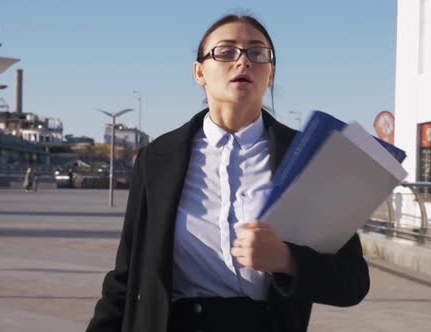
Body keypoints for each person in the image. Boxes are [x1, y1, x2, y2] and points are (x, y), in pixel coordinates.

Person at [86, 14, 369, 332]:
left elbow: (352, 282)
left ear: (271, 74)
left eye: (257, 53)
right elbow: (126, 275)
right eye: (225, 51)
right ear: (199, 72)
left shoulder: (307, 159)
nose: (243, 61)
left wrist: (287, 260)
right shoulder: (157, 159)